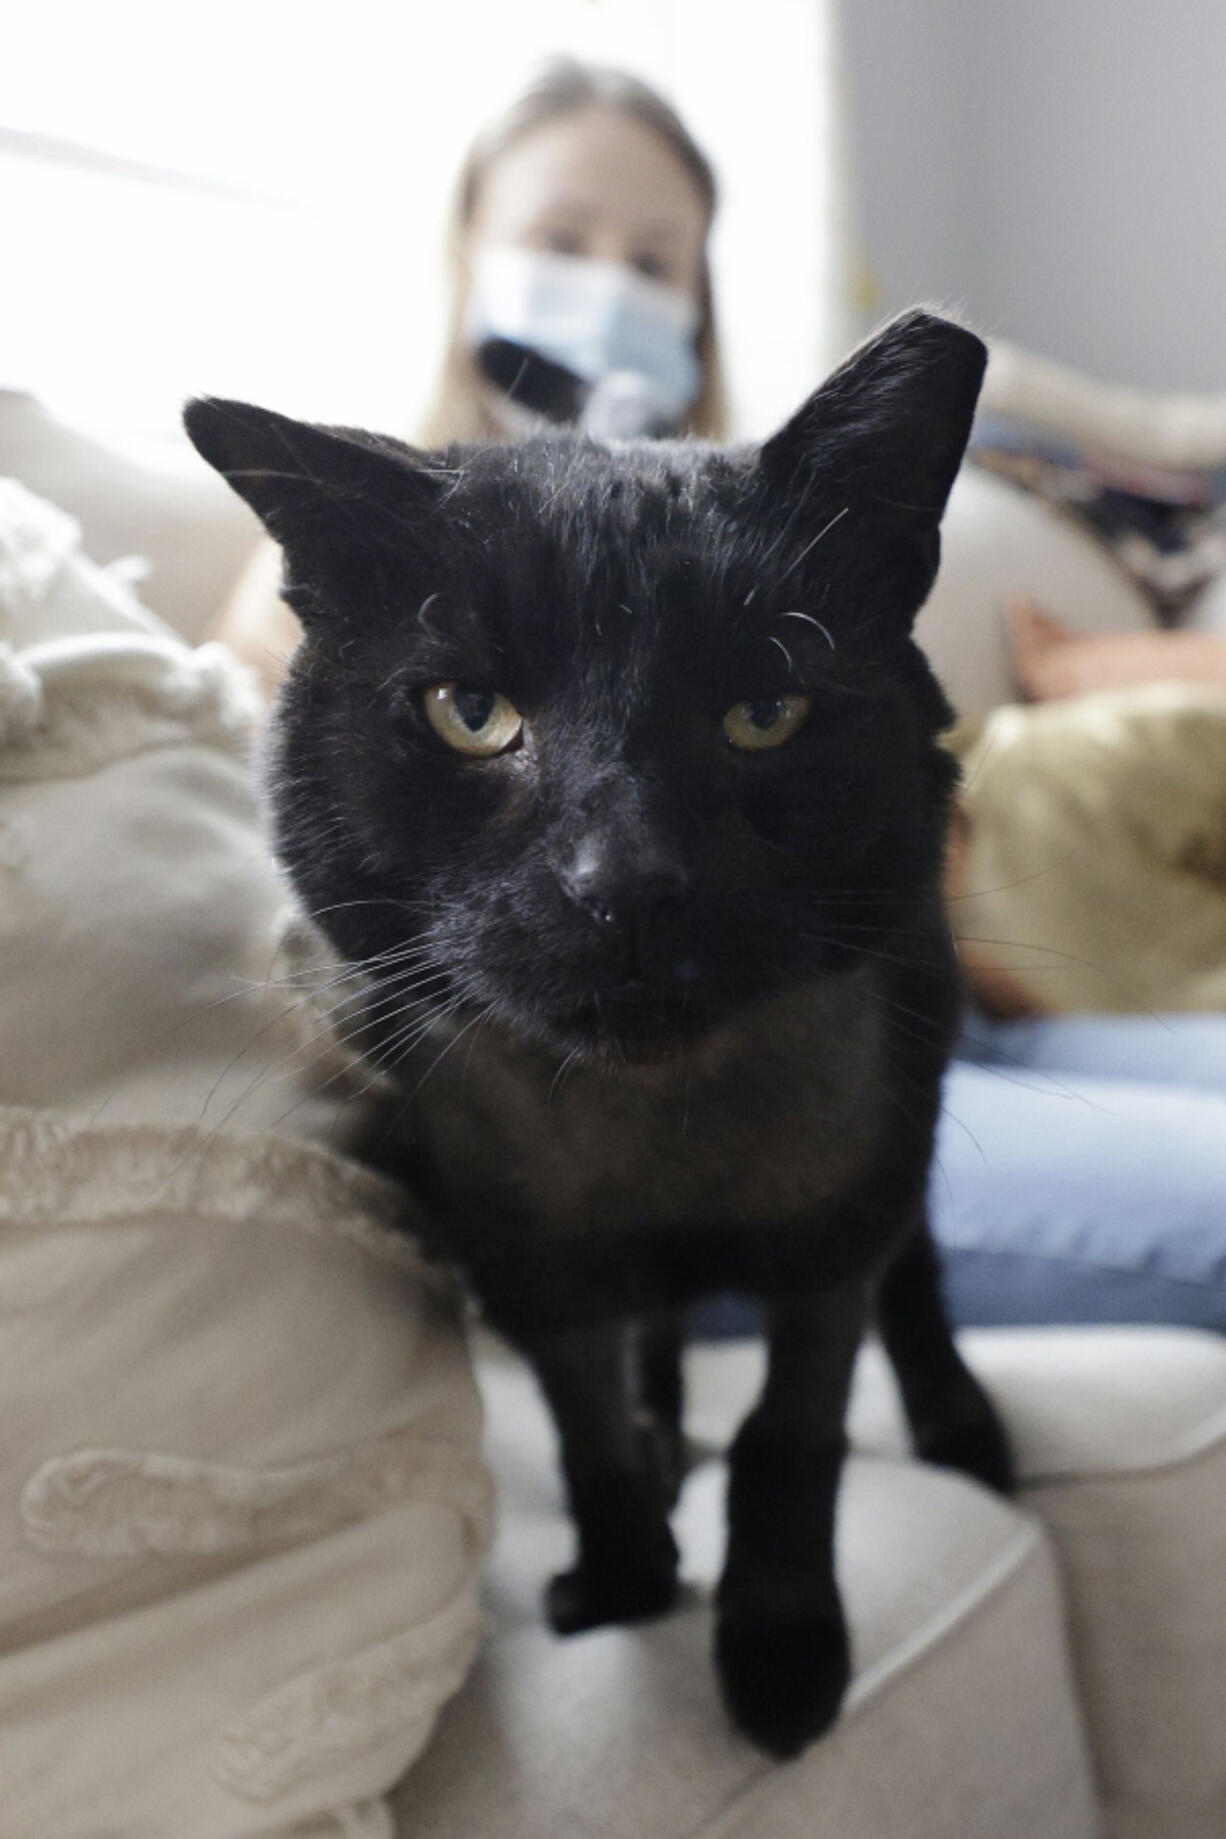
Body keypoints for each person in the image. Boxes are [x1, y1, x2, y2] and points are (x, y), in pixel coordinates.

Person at [206, 57, 1226, 1339]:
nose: (606, 287)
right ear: (467, 256)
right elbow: (307, 867)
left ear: (699, 295)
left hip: (943, 1008)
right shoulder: (342, 555)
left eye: (651, 261)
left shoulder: (756, 518)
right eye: (559, 241)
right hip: (681, 1138)